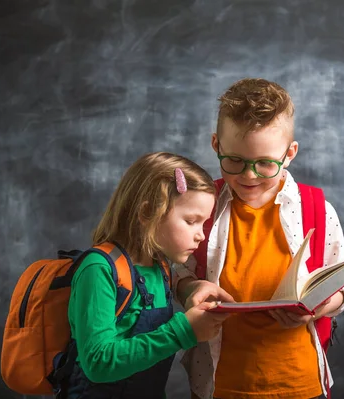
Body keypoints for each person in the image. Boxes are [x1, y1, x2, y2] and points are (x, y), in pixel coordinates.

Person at [174, 79, 344, 399]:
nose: (249, 175)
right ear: (216, 145)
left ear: (289, 154)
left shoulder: (317, 209)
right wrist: (191, 289)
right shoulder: (203, 206)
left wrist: (321, 305)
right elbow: (177, 272)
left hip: (299, 381)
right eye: (235, 160)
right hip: (219, 383)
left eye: (265, 163)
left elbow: (342, 288)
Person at [66, 152, 233, 399]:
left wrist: (190, 290)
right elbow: (97, 363)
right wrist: (183, 331)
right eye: (191, 221)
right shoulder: (98, 269)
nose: (200, 235)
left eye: (204, 224)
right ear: (147, 214)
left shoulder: (160, 266)